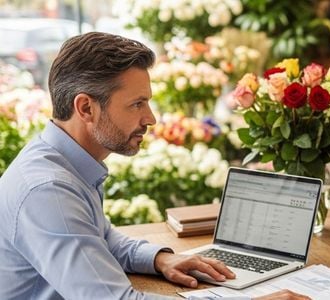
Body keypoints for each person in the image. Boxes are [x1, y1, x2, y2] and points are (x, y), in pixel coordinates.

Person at [0, 32, 308, 300]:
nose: (150, 118)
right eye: (137, 104)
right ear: (86, 108)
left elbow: (100, 237)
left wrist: (160, 259)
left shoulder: (63, 163)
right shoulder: (49, 190)